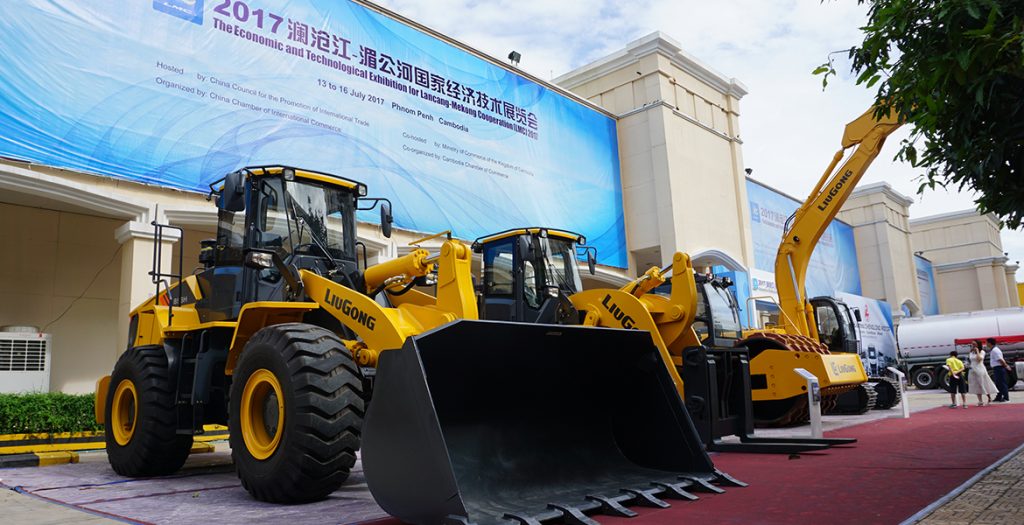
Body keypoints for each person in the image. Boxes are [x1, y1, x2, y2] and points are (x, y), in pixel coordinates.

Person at [968, 341, 998, 405]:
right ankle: (980, 401)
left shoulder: (982, 352)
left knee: (983, 383)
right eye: (972, 344)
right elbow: (971, 360)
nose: (973, 345)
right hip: (973, 369)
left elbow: (979, 359)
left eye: (974, 344)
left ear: (978, 344)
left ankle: (989, 397)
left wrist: (977, 351)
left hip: (980, 369)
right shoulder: (971, 352)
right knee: (976, 385)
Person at [988, 337, 1012, 402]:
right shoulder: (993, 350)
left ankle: (1006, 398)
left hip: (999, 368)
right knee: (998, 383)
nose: (986, 344)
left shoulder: (995, 350)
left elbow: (1000, 360)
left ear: (990, 343)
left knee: (1002, 383)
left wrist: (1006, 366)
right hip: (996, 368)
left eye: (987, 343)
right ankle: (999, 397)